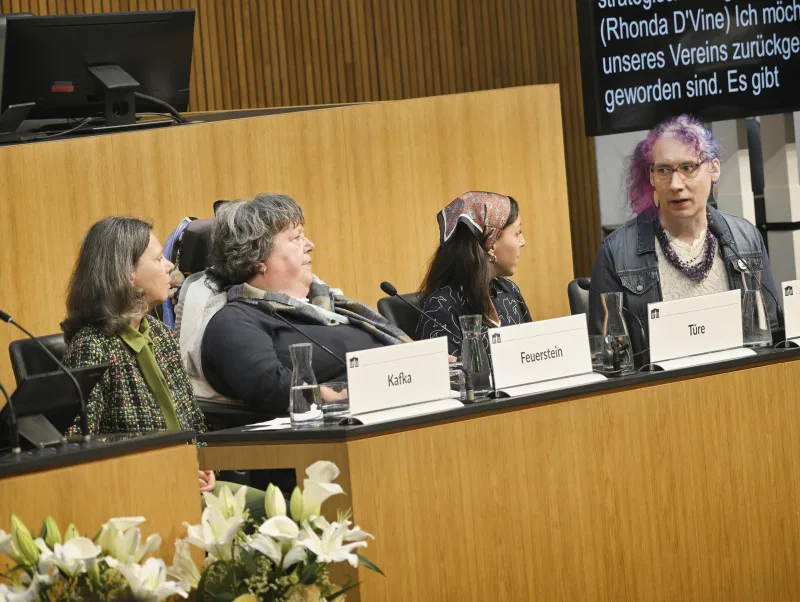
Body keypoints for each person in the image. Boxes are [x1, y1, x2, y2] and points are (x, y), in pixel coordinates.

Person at [61, 217, 265, 519]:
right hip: (139, 496)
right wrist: (166, 470)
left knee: (283, 513)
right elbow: (79, 444)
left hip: (190, 485)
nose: (169, 265)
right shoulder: (92, 346)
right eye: (158, 259)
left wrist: (205, 465)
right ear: (127, 274)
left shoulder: (161, 335)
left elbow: (194, 423)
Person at [588, 114, 779, 362]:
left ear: (714, 169)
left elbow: (772, 334)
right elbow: (607, 359)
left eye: (688, 168)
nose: (676, 184)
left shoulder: (746, 239)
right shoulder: (616, 253)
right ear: (651, 176)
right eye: (664, 170)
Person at [200, 193, 409, 415]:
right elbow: (269, 386)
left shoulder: (331, 305)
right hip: (338, 424)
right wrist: (326, 396)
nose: (311, 245)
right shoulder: (236, 320)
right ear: (257, 257)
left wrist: (425, 361)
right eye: (296, 238)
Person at [415, 191, 531, 355]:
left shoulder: (509, 291)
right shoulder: (441, 307)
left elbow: (534, 355)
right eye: (517, 232)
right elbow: (451, 377)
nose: (522, 242)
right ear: (491, 243)